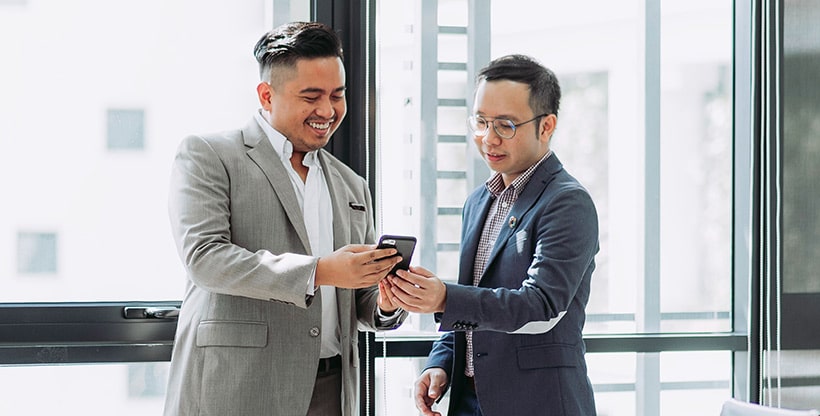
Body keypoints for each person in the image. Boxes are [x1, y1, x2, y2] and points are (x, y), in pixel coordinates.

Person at [163, 21, 408, 416]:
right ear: (266, 95)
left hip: (332, 389)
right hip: (239, 387)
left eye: (337, 95)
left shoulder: (352, 185)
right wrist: (322, 271)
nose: (327, 111)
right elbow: (205, 260)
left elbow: (358, 302)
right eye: (311, 96)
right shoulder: (209, 155)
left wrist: (385, 301)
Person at [384, 54, 599, 416]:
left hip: (539, 402)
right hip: (470, 400)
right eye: (481, 122)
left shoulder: (567, 203)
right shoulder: (479, 201)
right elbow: (477, 303)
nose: (488, 138)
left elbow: (541, 306)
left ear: (546, 126)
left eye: (505, 126)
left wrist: (443, 298)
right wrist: (441, 361)